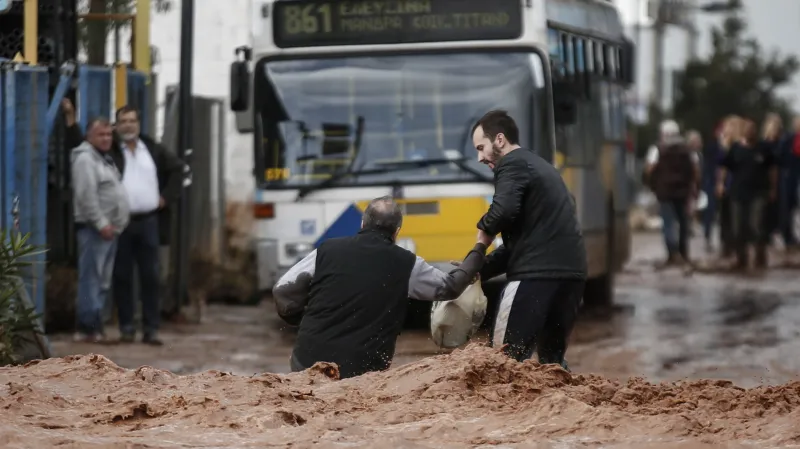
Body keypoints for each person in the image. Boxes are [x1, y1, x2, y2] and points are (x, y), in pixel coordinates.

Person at [272, 196, 489, 379]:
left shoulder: (326, 250)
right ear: (396, 231)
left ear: (363, 224)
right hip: (364, 371)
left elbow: (282, 292)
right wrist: (479, 249)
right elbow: (450, 287)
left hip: (306, 362)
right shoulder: (407, 264)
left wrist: (300, 322)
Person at [471, 110, 586, 368]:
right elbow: (522, 244)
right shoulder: (541, 166)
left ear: (499, 140)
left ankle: (498, 410)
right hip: (571, 276)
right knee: (551, 364)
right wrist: (478, 269)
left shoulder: (511, 164)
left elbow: (503, 211)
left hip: (535, 276)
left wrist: (482, 236)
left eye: (481, 148)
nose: (479, 157)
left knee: (502, 363)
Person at [63, 101, 184, 344]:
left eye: (133, 120)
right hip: (120, 224)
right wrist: (70, 120)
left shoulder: (152, 148)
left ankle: (151, 328)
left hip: (148, 220)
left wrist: (165, 198)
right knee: (121, 276)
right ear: (117, 125)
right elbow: (82, 147)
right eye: (123, 121)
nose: (128, 125)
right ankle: (126, 327)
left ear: (139, 124)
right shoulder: (109, 149)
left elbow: (178, 170)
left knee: (151, 276)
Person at [70, 117, 130, 342]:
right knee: (91, 279)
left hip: (109, 230)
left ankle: (95, 326)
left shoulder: (103, 159)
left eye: (108, 134)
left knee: (102, 280)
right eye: (101, 135)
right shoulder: (85, 159)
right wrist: (101, 223)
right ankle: (87, 327)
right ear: (89, 136)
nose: (106, 139)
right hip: (94, 229)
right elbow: (86, 197)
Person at [718, 119, 778, 270]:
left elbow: (773, 170)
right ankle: (741, 258)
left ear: (756, 132)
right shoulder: (736, 149)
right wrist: (720, 184)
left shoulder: (764, 149)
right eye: (747, 129)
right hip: (738, 193)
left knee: (756, 225)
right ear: (743, 132)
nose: (750, 132)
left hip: (759, 193)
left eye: (753, 129)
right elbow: (724, 167)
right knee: (737, 228)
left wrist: (773, 188)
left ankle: (760, 257)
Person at [644, 120, 699, 267]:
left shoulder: (657, 149)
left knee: (668, 223)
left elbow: (649, 169)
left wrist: (652, 184)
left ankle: (672, 253)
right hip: (683, 191)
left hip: (664, 191)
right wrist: (692, 186)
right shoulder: (687, 150)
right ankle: (683, 252)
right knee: (683, 223)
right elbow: (695, 169)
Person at [775, 116, 800, 253]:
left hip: (795, 177)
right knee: (789, 208)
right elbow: (780, 157)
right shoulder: (788, 139)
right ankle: (788, 235)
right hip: (790, 178)